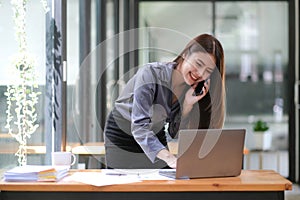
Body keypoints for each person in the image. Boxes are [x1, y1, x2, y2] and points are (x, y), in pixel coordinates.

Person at [104, 33, 226, 169]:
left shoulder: (191, 90)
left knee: (166, 184)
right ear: (185, 54)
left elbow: (173, 134)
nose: (200, 73)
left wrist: (186, 106)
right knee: (123, 186)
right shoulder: (150, 74)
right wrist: (169, 158)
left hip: (154, 133)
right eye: (198, 64)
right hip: (123, 133)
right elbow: (139, 127)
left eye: (208, 70)